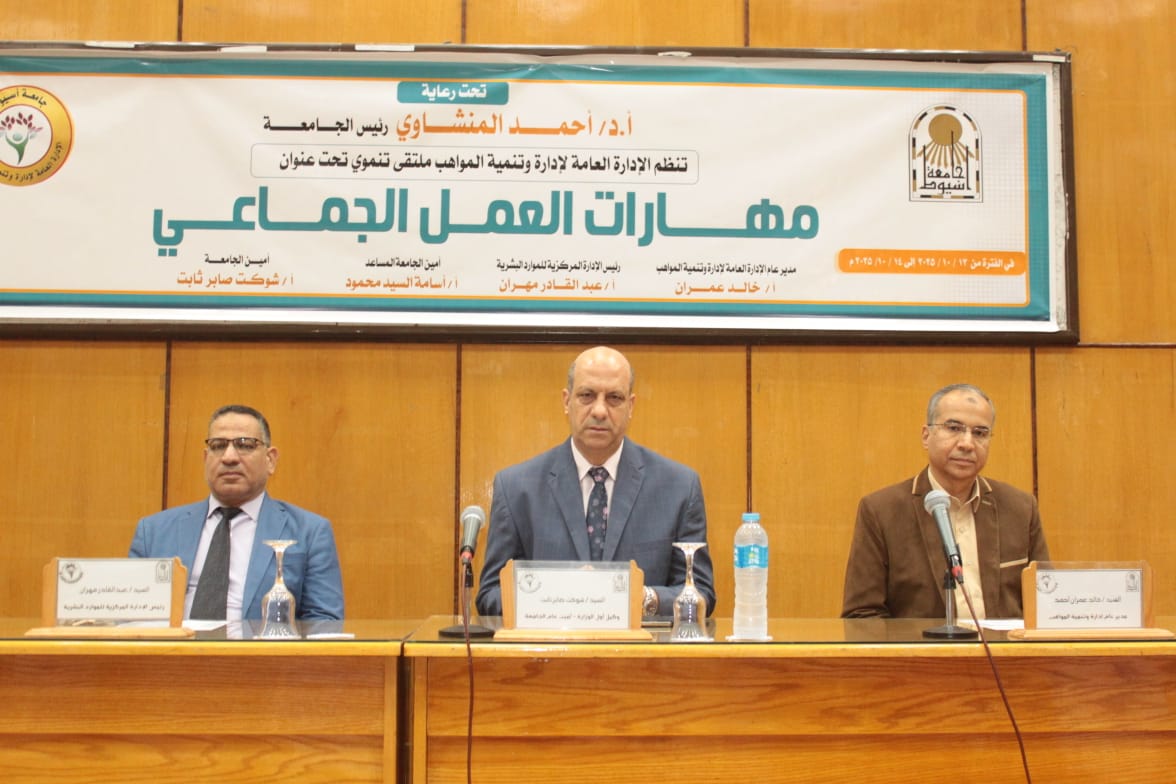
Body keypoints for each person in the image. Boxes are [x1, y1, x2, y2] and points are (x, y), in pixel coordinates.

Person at [475, 346, 715, 618]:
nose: (600, 410)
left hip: (642, 646)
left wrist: (643, 598)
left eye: (614, 398)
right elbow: (490, 595)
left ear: (630, 406)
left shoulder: (679, 488)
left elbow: (701, 594)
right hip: (552, 646)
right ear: (567, 401)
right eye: (587, 395)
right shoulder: (516, 489)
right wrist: (563, 597)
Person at [841, 383, 1049, 620]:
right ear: (926, 436)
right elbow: (862, 615)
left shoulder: (1020, 508)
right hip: (921, 645)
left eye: (980, 433)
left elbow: (1046, 603)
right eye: (954, 428)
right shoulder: (882, 511)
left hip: (1003, 645)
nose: (967, 443)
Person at [130, 404, 344, 621]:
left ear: (270, 460)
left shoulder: (309, 532)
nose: (229, 457)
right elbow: (129, 616)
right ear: (205, 459)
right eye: (218, 445)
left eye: (245, 445)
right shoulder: (154, 532)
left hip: (259, 643)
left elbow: (324, 622)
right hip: (173, 642)